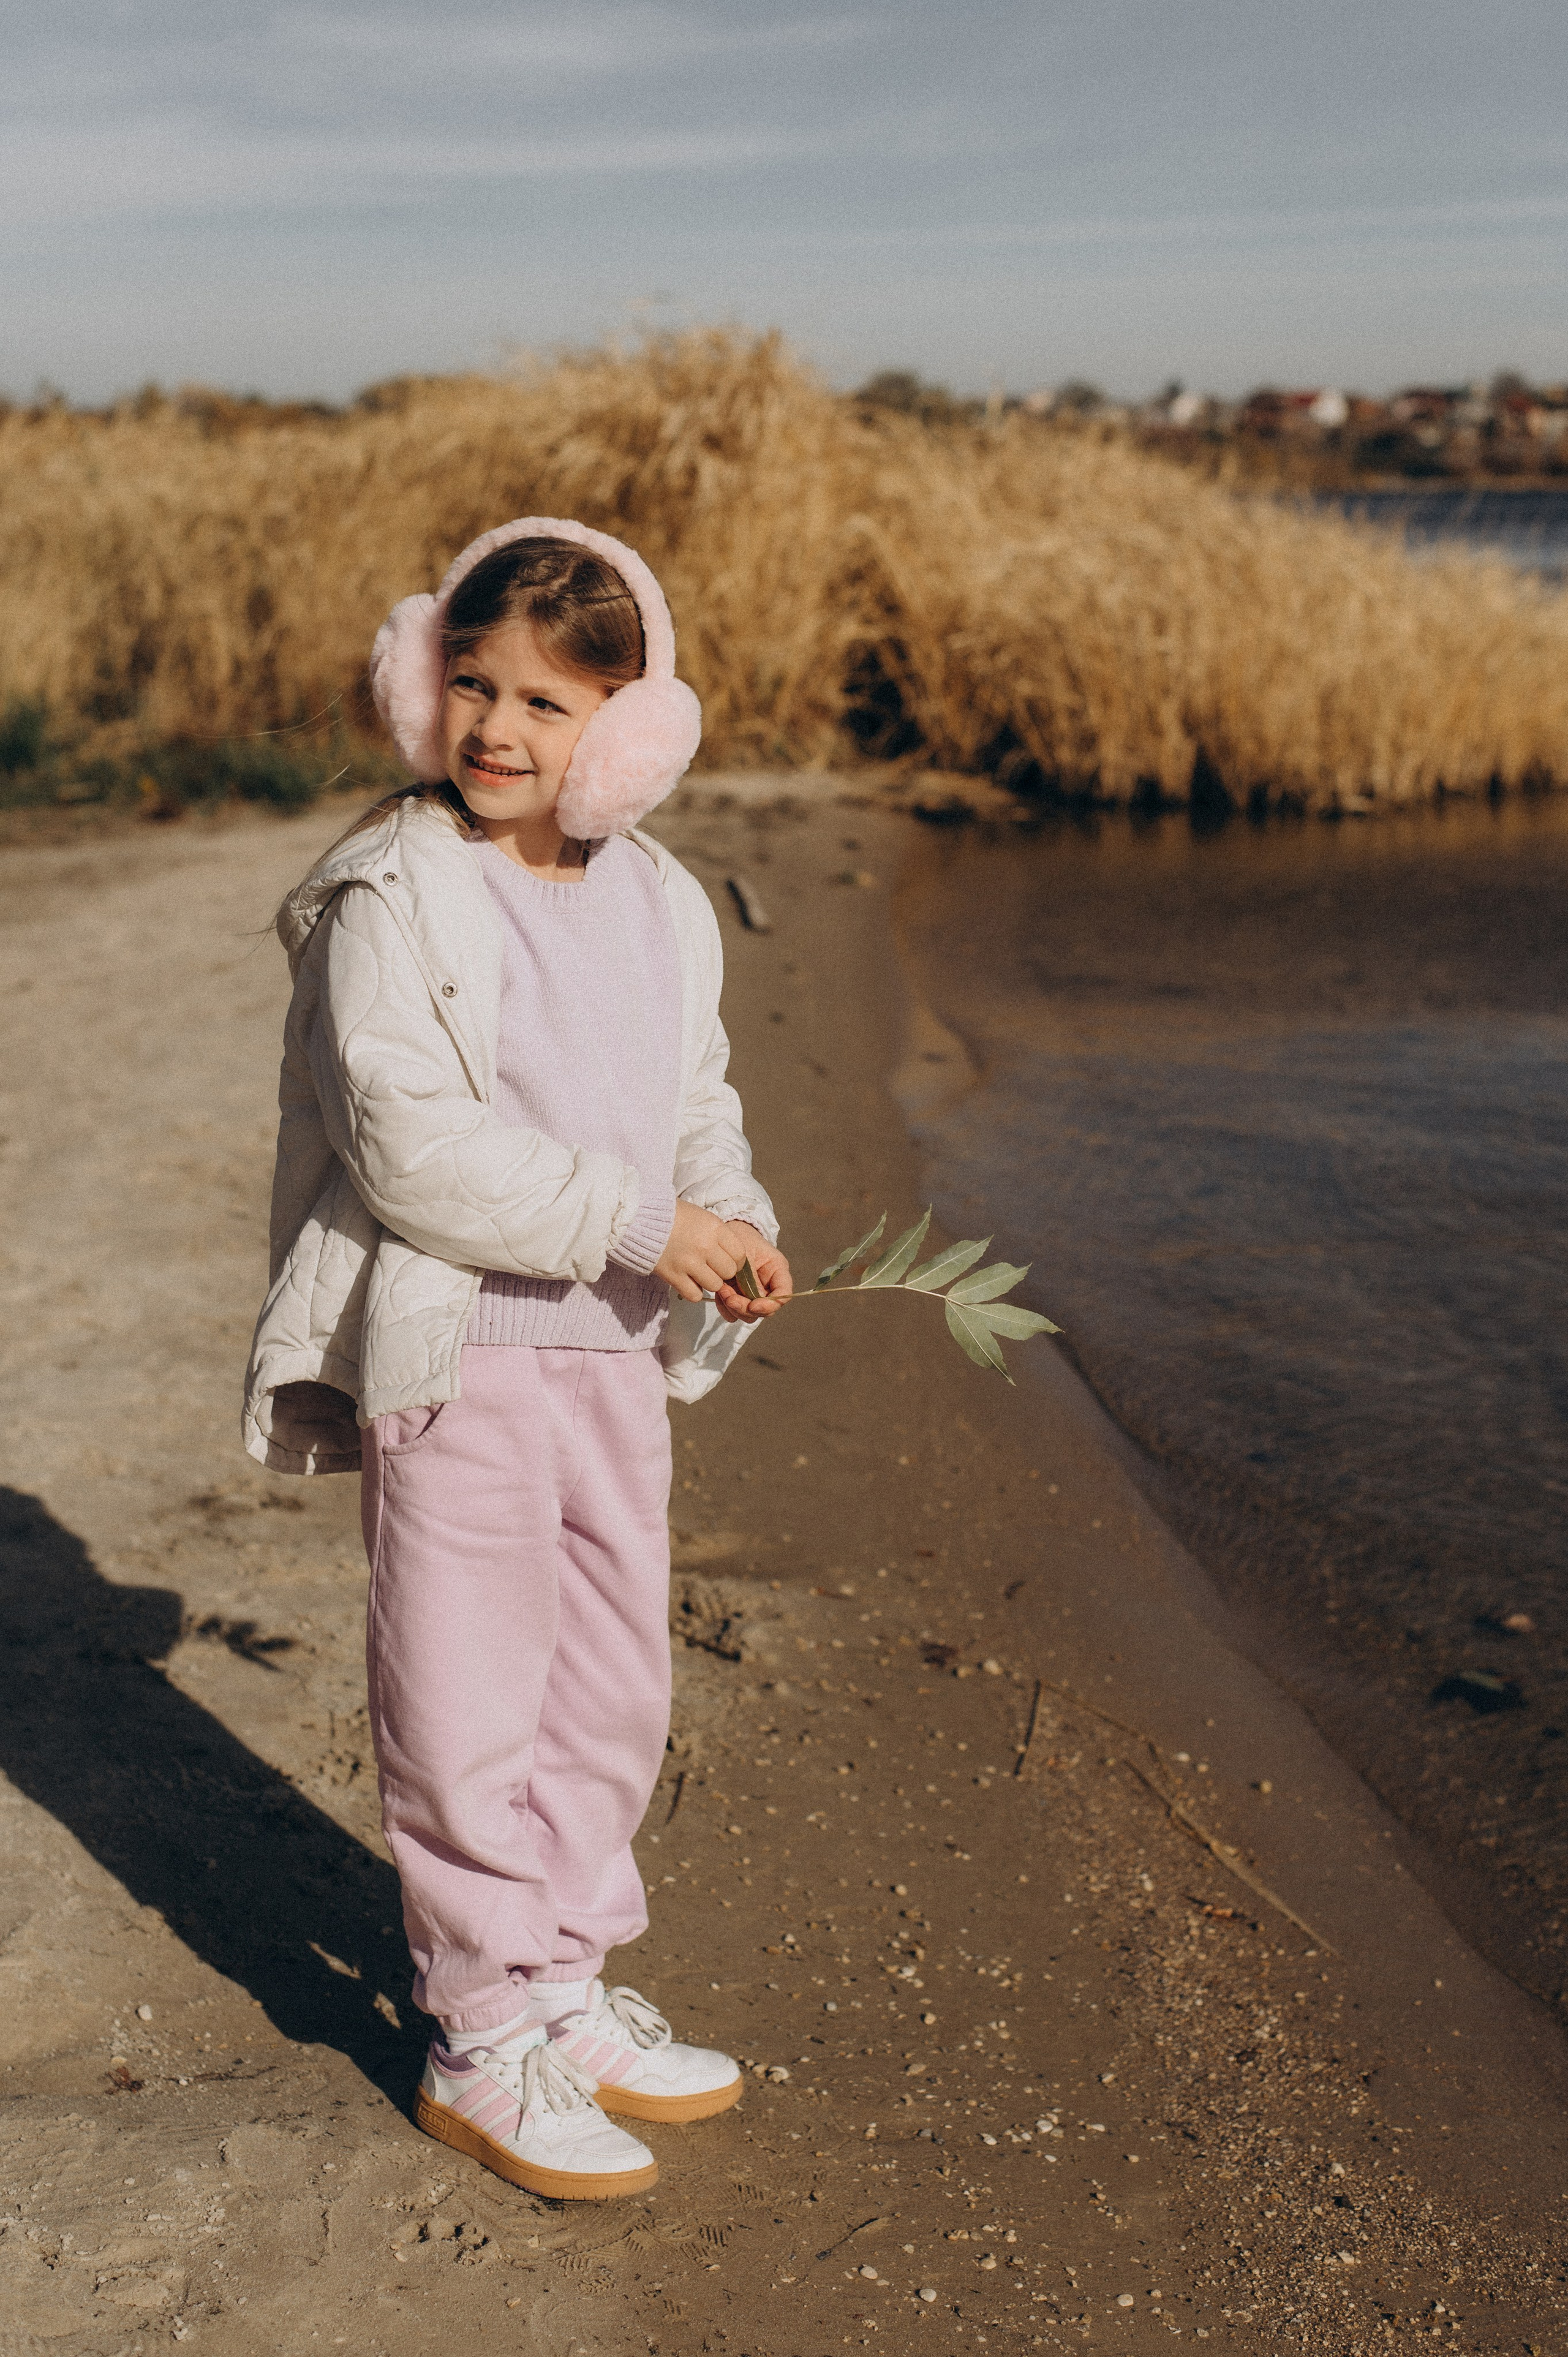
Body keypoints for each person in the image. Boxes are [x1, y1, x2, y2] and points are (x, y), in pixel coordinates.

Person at [243, 518, 792, 2200]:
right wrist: (645, 1224)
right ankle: (480, 2026)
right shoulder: (391, 890)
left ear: (629, 730)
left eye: (549, 704)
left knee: (611, 1682)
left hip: (612, 1356)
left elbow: (694, 1096)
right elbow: (408, 1149)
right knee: (468, 1687)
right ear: (423, 681)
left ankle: (564, 1977)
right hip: (460, 1347)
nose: (497, 729)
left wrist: (729, 1211)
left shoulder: (660, 900)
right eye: (471, 685)